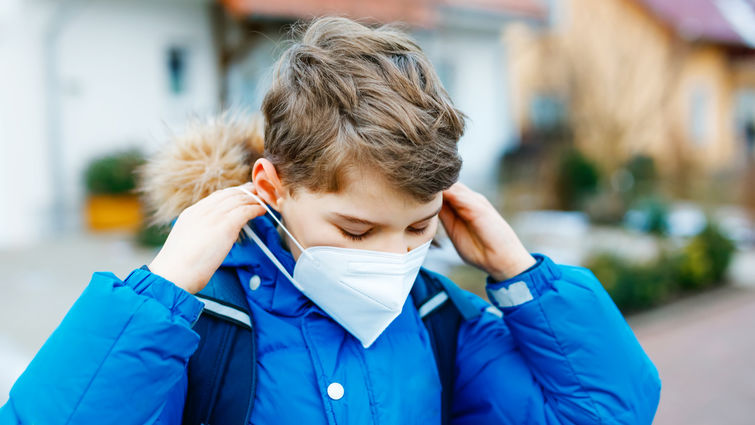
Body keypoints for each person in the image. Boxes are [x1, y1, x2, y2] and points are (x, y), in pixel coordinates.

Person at [0, 17, 660, 425]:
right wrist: (157, 292)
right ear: (273, 185)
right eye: (354, 230)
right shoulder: (200, 327)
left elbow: (605, 412)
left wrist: (522, 275)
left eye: (417, 228)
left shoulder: (439, 320)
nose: (392, 258)